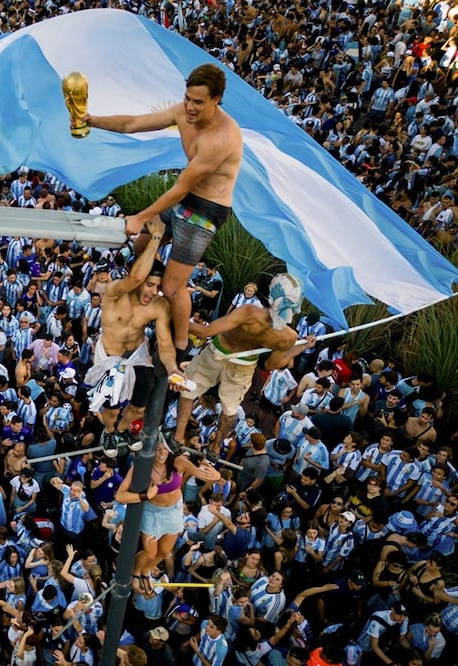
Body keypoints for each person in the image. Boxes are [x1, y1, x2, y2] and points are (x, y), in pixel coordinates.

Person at [82, 63, 244, 358]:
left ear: (216, 99)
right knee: (141, 245)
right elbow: (134, 123)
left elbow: (181, 186)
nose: (190, 107)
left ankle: (181, 345)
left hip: (206, 210)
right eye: (187, 99)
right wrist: (93, 121)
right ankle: (144, 296)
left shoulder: (222, 137)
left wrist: (142, 216)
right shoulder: (182, 112)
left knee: (172, 287)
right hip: (185, 199)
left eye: (198, 102)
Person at [174, 272, 311, 449]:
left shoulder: (249, 312)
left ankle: (177, 437)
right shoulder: (288, 336)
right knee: (230, 410)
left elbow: (204, 332)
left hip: (216, 354)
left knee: (188, 392)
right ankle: (216, 448)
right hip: (243, 367)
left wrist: (176, 315)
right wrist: (298, 348)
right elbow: (270, 365)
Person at [83, 216, 183, 454]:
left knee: (139, 406)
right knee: (112, 407)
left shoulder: (158, 306)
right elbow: (136, 277)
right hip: (110, 356)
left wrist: (173, 369)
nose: (153, 291)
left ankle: (124, 429)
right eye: (150, 285)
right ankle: (109, 432)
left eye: (157, 287)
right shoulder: (115, 292)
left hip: (136, 355)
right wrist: (156, 238)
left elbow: (166, 344)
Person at [115, 438, 220, 593]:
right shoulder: (142, 466)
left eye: (165, 449)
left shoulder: (178, 461)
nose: (162, 453)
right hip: (152, 512)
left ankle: (146, 571)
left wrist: (216, 475)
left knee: (164, 552)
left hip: (174, 510)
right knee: (150, 552)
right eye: (158, 449)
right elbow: (120, 496)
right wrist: (146, 495)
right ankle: (136, 572)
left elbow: (205, 475)